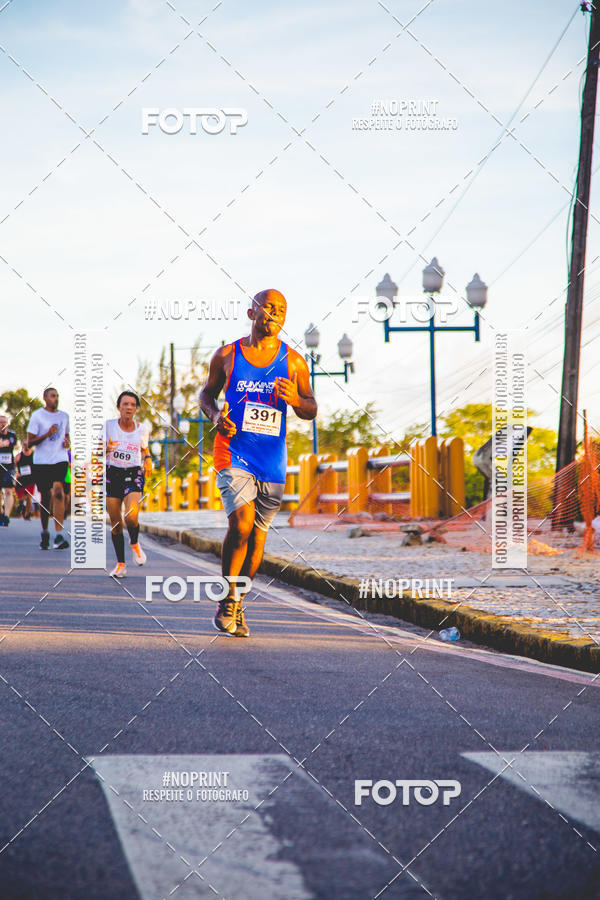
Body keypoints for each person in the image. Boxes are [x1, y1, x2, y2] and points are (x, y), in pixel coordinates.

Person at [199, 288, 317, 637]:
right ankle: (226, 600)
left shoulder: (294, 361)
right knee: (242, 524)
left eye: (281, 309)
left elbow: (310, 408)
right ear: (252, 313)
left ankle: (238, 600)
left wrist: (295, 398)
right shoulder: (227, 355)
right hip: (232, 450)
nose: (275, 314)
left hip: (272, 458)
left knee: (258, 538)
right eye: (268, 307)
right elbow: (207, 394)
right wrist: (216, 415)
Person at [105, 391, 152, 578]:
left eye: (133, 405)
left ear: (136, 408)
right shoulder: (108, 426)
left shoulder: (143, 429)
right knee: (116, 523)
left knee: (131, 516)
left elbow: (144, 448)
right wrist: (106, 449)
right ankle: (121, 564)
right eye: (125, 404)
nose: (129, 408)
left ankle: (134, 543)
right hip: (112, 473)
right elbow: (98, 449)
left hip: (133, 473)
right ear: (119, 407)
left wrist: (147, 459)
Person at [27, 388, 70, 549]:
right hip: (41, 461)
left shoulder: (64, 416)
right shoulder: (37, 416)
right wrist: (47, 434)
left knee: (59, 493)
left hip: (60, 459)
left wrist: (67, 443)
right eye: (53, 396)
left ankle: (58, 535)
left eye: (57, 396)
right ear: (45, 398)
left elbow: (66, 437)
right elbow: (29, 442)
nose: (56, 399)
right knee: (46, 497)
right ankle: (45, 532)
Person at [0, 415, 17, 526]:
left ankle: (6, 515)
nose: (2, 424)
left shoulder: (12, 435)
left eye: (4, 422)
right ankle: (1, 513)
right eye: (0, 422)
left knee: (8, 491)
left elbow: (13, 444)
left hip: (9, 466)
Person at [15, 441, 36, 520]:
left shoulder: (34, 455)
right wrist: (16, 473)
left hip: (31, 479)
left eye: (28, 444)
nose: (26, 446)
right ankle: (20, 505)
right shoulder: (18, 456)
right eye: (24, 444)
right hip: (21, 479)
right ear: (22, 445)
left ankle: (27, 514)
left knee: (29, 496)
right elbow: (14, 467)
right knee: (21, 498)